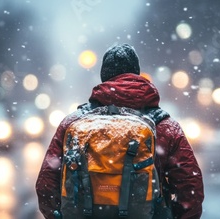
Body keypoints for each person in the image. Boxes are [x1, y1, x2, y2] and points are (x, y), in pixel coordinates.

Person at [36, 43, 204, 219]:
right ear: (136, 74)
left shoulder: (73, 123)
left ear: (104, 78)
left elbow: (45, 186)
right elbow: (191, 189)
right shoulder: (165, 126)